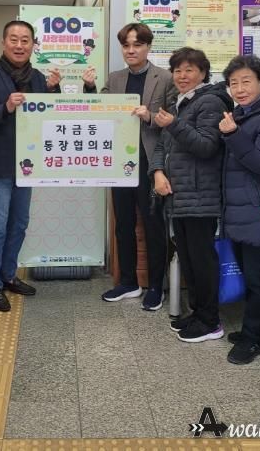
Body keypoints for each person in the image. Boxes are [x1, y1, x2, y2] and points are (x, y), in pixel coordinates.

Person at [0, 20, 61, 312]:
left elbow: (50, 117)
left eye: (25, 40)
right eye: (14, 40)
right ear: (3, 43)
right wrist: (4, 108)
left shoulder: (38, 78)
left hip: (28, 166)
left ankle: (8, 274)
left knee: (19, 223)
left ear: (33, 45)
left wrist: (53, 91)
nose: (19, 45)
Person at [83, 22, 176, 309]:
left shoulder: (165, 78)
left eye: (137, 44)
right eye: (126, 45)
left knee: (153, 224)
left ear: (148, 46)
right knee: (123, 223)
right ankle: (128, 282)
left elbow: (174, 119)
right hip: (120, 162)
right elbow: (98, 112)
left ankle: (156, 286)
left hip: (151, 162)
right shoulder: (115, 78)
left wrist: (150, 116)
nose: (131, 50)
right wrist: (89, 88)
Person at [151, 47, 232, 343]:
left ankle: (210, 321)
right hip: (179, 196)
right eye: (178, 70)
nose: (182, 76)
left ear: (203, 73)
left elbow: (207, 146)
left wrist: (174, 124)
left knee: (202, 260)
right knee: (188, 258)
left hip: (201, 197)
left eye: (189, 70)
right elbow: (162, 145)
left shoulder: (210, 102)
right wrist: (157, 172)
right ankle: (198, 313)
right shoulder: (179, 103)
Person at [219, 55, 260, 364]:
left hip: (257, 211)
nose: (240, 89)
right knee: (252, 276)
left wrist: (232, 135)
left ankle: (252, 340)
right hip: (241, 211)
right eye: (234, 83)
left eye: (246, 82)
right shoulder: (241, 115)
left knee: (258, 280)